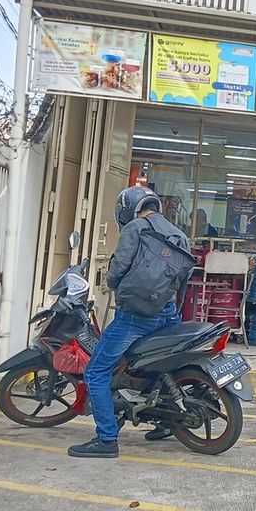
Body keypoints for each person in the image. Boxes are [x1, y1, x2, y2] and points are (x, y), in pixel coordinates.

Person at [68, 186, 191, 458]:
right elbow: (184, 276)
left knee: (96, 373)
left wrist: (110, 283)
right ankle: (166, 422)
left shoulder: (135, 228)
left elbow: (119, 268)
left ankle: (106, 439)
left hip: (136, 316)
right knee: (157, 366)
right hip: (168, 311)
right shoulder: (178, 233)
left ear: (128, 208)